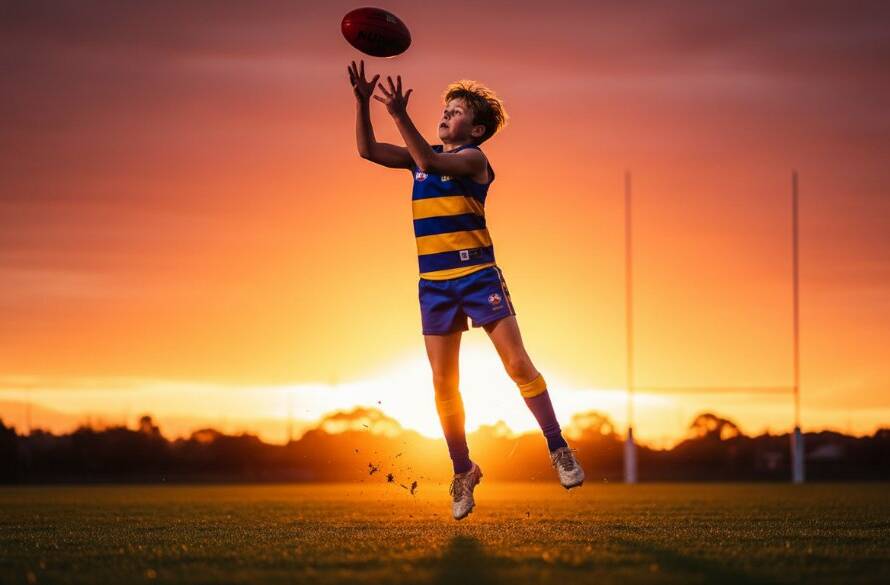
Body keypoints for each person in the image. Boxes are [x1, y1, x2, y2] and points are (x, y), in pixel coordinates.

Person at [347, 60, 584, 520]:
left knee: (517, 363)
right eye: (446, 108)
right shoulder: (421, 157)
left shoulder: (473, 160)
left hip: (478, 276)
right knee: (442, 383)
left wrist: (398, 112)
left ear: (475, 129)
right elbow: (368, 150)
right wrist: (362, 102)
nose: (446, 114)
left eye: (456, 112)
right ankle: (463, 470)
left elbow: (432, 161)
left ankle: (558, 448)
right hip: (435, 286)